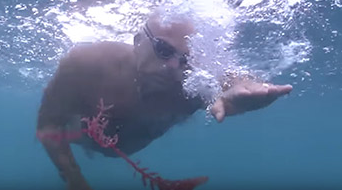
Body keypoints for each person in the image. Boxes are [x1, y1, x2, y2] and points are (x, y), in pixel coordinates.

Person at [36, 14, 292, 190]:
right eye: (163, 49)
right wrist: (74, 179)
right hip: (81, 138)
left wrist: (248, 91)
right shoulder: (87, 63)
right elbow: (48, 126)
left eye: (186, 59)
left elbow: (233, 80)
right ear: (138, 40)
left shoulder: (193, 80)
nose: (173, 67)